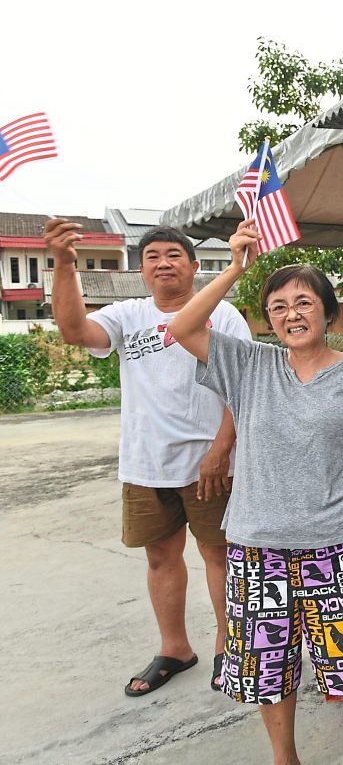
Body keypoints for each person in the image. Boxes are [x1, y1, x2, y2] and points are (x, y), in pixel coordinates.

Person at [168, 219, 343, 765]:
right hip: (259, 545)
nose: (291, 314)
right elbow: (183, 327)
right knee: (267, 668)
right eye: (277, 306)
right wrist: (235, 268)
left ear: (328, 312)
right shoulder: (249, 364)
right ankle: (286, 758)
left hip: (339, 542)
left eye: (304, 302)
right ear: (268, 320)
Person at [43, 219, 249, 696]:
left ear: (196, 266)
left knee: (218, 554)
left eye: (174, 255)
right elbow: (75, 331)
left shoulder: (225, 315)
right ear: (141, 269)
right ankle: (175, 648)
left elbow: (243, 387)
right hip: (145, 463)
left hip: (211, 463)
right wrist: (64, 262)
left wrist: (222, 448)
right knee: (160, 558)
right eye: (153, 255)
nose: (163, 262)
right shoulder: (127, 315)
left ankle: (227, 645)